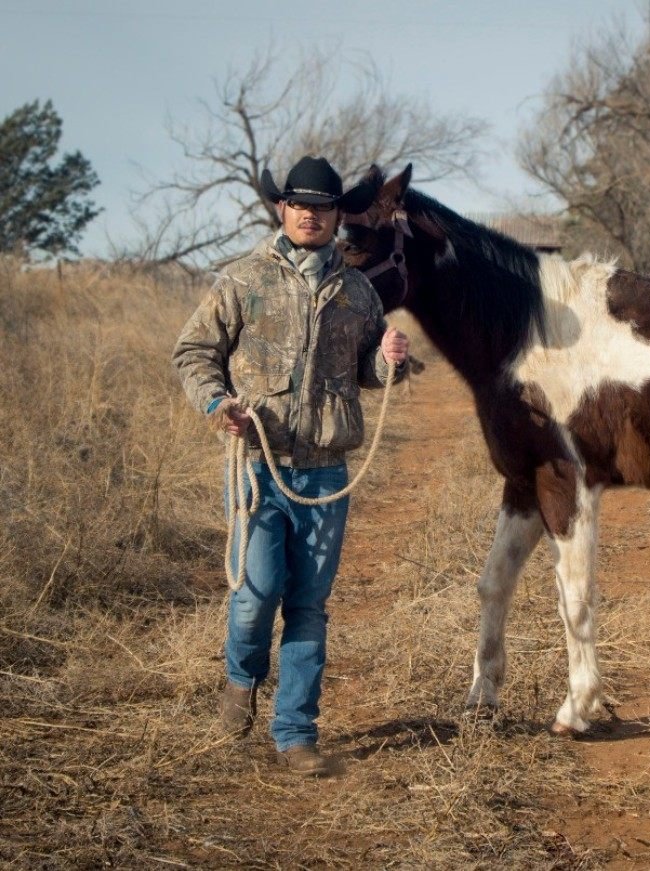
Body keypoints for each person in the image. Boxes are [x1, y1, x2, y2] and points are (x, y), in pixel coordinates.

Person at [173, 155, 409, 776]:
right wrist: (216, 402)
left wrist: (388, 358)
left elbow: (370, 372)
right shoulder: (243, 279)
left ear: (336, 215)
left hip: (326, 473)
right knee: (256, 593)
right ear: (283, 208)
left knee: (307, 604)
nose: (310, 214)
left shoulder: (358, 291)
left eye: (323, 206)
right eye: (300, 203)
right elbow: (194, 351)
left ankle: (296, 733)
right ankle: (240, 678)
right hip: (257, 466)